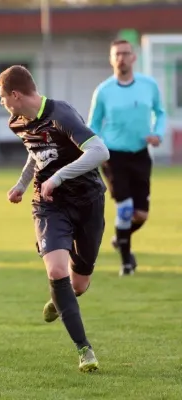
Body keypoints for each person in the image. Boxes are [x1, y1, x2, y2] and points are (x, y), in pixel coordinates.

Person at [0, 65, 110, 372]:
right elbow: (36, 153)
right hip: (49, 204)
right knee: (57, 271)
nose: (3, 104)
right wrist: (22, 185)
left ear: (16, 95)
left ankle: (61, 301)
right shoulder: (17, 122)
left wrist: (58, 177)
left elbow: (100, 152)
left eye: (3, 97)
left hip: (88, 201)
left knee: (79, 283)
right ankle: (84, 349)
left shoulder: (62, 115)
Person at [87, 38, 167, 276]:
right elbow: (93, 124)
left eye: (125, 53)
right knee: (125, 208)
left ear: (134, 57)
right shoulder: (103, 91)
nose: (121, 57)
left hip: (141, 154)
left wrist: (158, 133)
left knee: (140, 214)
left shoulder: (148, 85)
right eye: (117, 54)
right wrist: (98, 150)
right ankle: (126, 263)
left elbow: (160, 113)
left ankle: (120, 238)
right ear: (111, 59)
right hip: (114, 157)